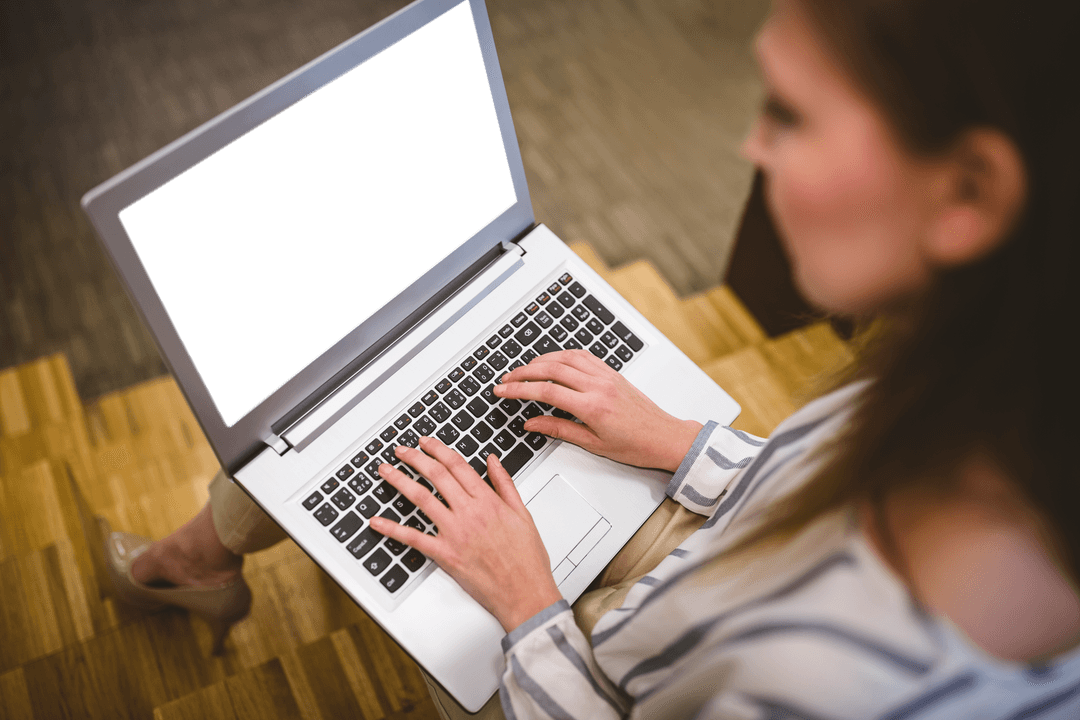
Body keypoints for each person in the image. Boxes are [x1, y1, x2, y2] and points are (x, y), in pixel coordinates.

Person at [93, 0, 1080, 715]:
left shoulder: (828, 690)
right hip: (699, 574)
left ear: (968, 190)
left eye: (791, 114)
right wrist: (677, 441)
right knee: (344, 409)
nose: (753, 147)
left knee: (329, 439)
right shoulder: (979, 383)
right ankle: (204, 553)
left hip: (583, 679)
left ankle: (194, 561)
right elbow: (798, 497)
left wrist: (528, 608)